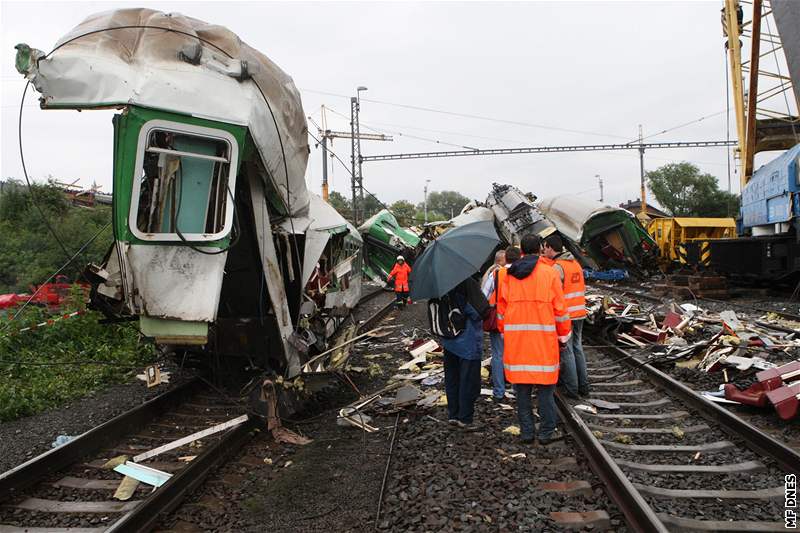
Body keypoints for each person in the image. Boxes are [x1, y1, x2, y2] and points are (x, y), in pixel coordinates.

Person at [499, 234, 571, 445]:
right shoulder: (549, 274)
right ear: (540, 249)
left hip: (517, 345)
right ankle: (547, 432)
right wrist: (564, 336)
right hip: (543, 345)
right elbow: (560, 311)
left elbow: (501, 311)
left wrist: (507, 334)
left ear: (521, 249)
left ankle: (527, 432)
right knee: (546, 392)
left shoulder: (508, 275)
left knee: (521, 392)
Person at [541, 234, 589, 398]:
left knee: (567, 351)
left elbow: (553, 293)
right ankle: (584, 386)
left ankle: (572, 389)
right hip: (580, 313)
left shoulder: (557, 267)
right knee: (577, 348)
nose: (543, 251)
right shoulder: (575, 264)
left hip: (566, 315)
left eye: (545, 247)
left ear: (549, 248)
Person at [440, 276, 489, 428]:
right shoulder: (467, 282)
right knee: (469, 381)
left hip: (448, 340)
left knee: (452, 378)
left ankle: (453, 414)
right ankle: (465, 418)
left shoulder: (440, 284)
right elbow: (480, 311)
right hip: (467, 341)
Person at [482, 247, 520, 400]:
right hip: (518, 321)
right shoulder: (524, 273)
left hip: (499, 320)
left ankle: (499, 391)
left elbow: (484, 296)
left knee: (498, 355)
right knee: (516, 355)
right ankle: (518, 389)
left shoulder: (496, 274)